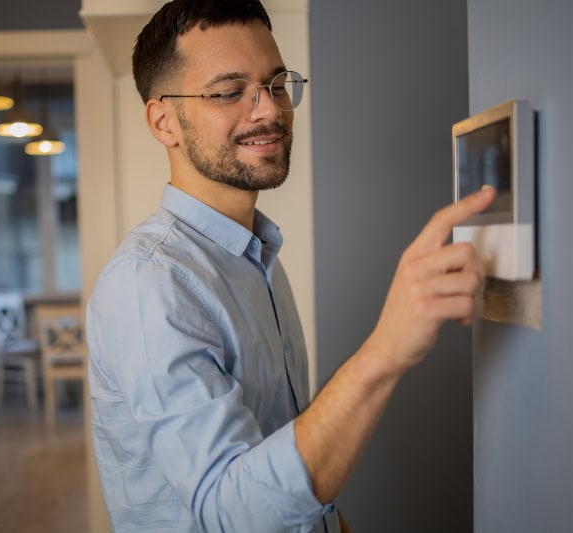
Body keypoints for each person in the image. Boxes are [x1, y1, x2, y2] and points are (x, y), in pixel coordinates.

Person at [85, 1, 496, 531]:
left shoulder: (257, 257)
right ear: (164, 122)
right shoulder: (150, 282)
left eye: (277, 83)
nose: (270, 110)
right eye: (230, 92)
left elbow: (274, 456)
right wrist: (385, 351)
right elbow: (231, 511)